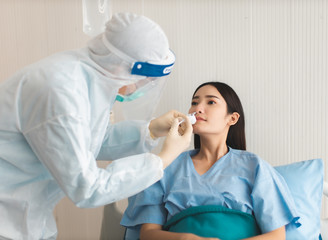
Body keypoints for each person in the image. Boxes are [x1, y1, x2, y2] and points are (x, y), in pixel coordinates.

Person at [0, 12, 193, 240]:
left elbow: (90, 141)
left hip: (27, 218)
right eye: (146, 80)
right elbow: (87, 188)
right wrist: (163, 160)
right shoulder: (60, 92)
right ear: (125, 67)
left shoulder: (91, 77)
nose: (144, 87)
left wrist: (150, 130)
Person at [121, 82, 301, 240]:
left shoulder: (255, 166)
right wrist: (185, 238)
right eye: (194, 102)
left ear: (232, 118)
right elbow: (148, 234)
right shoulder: (166, 165)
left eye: (211, 102)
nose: (198, 108)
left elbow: (277, 235)